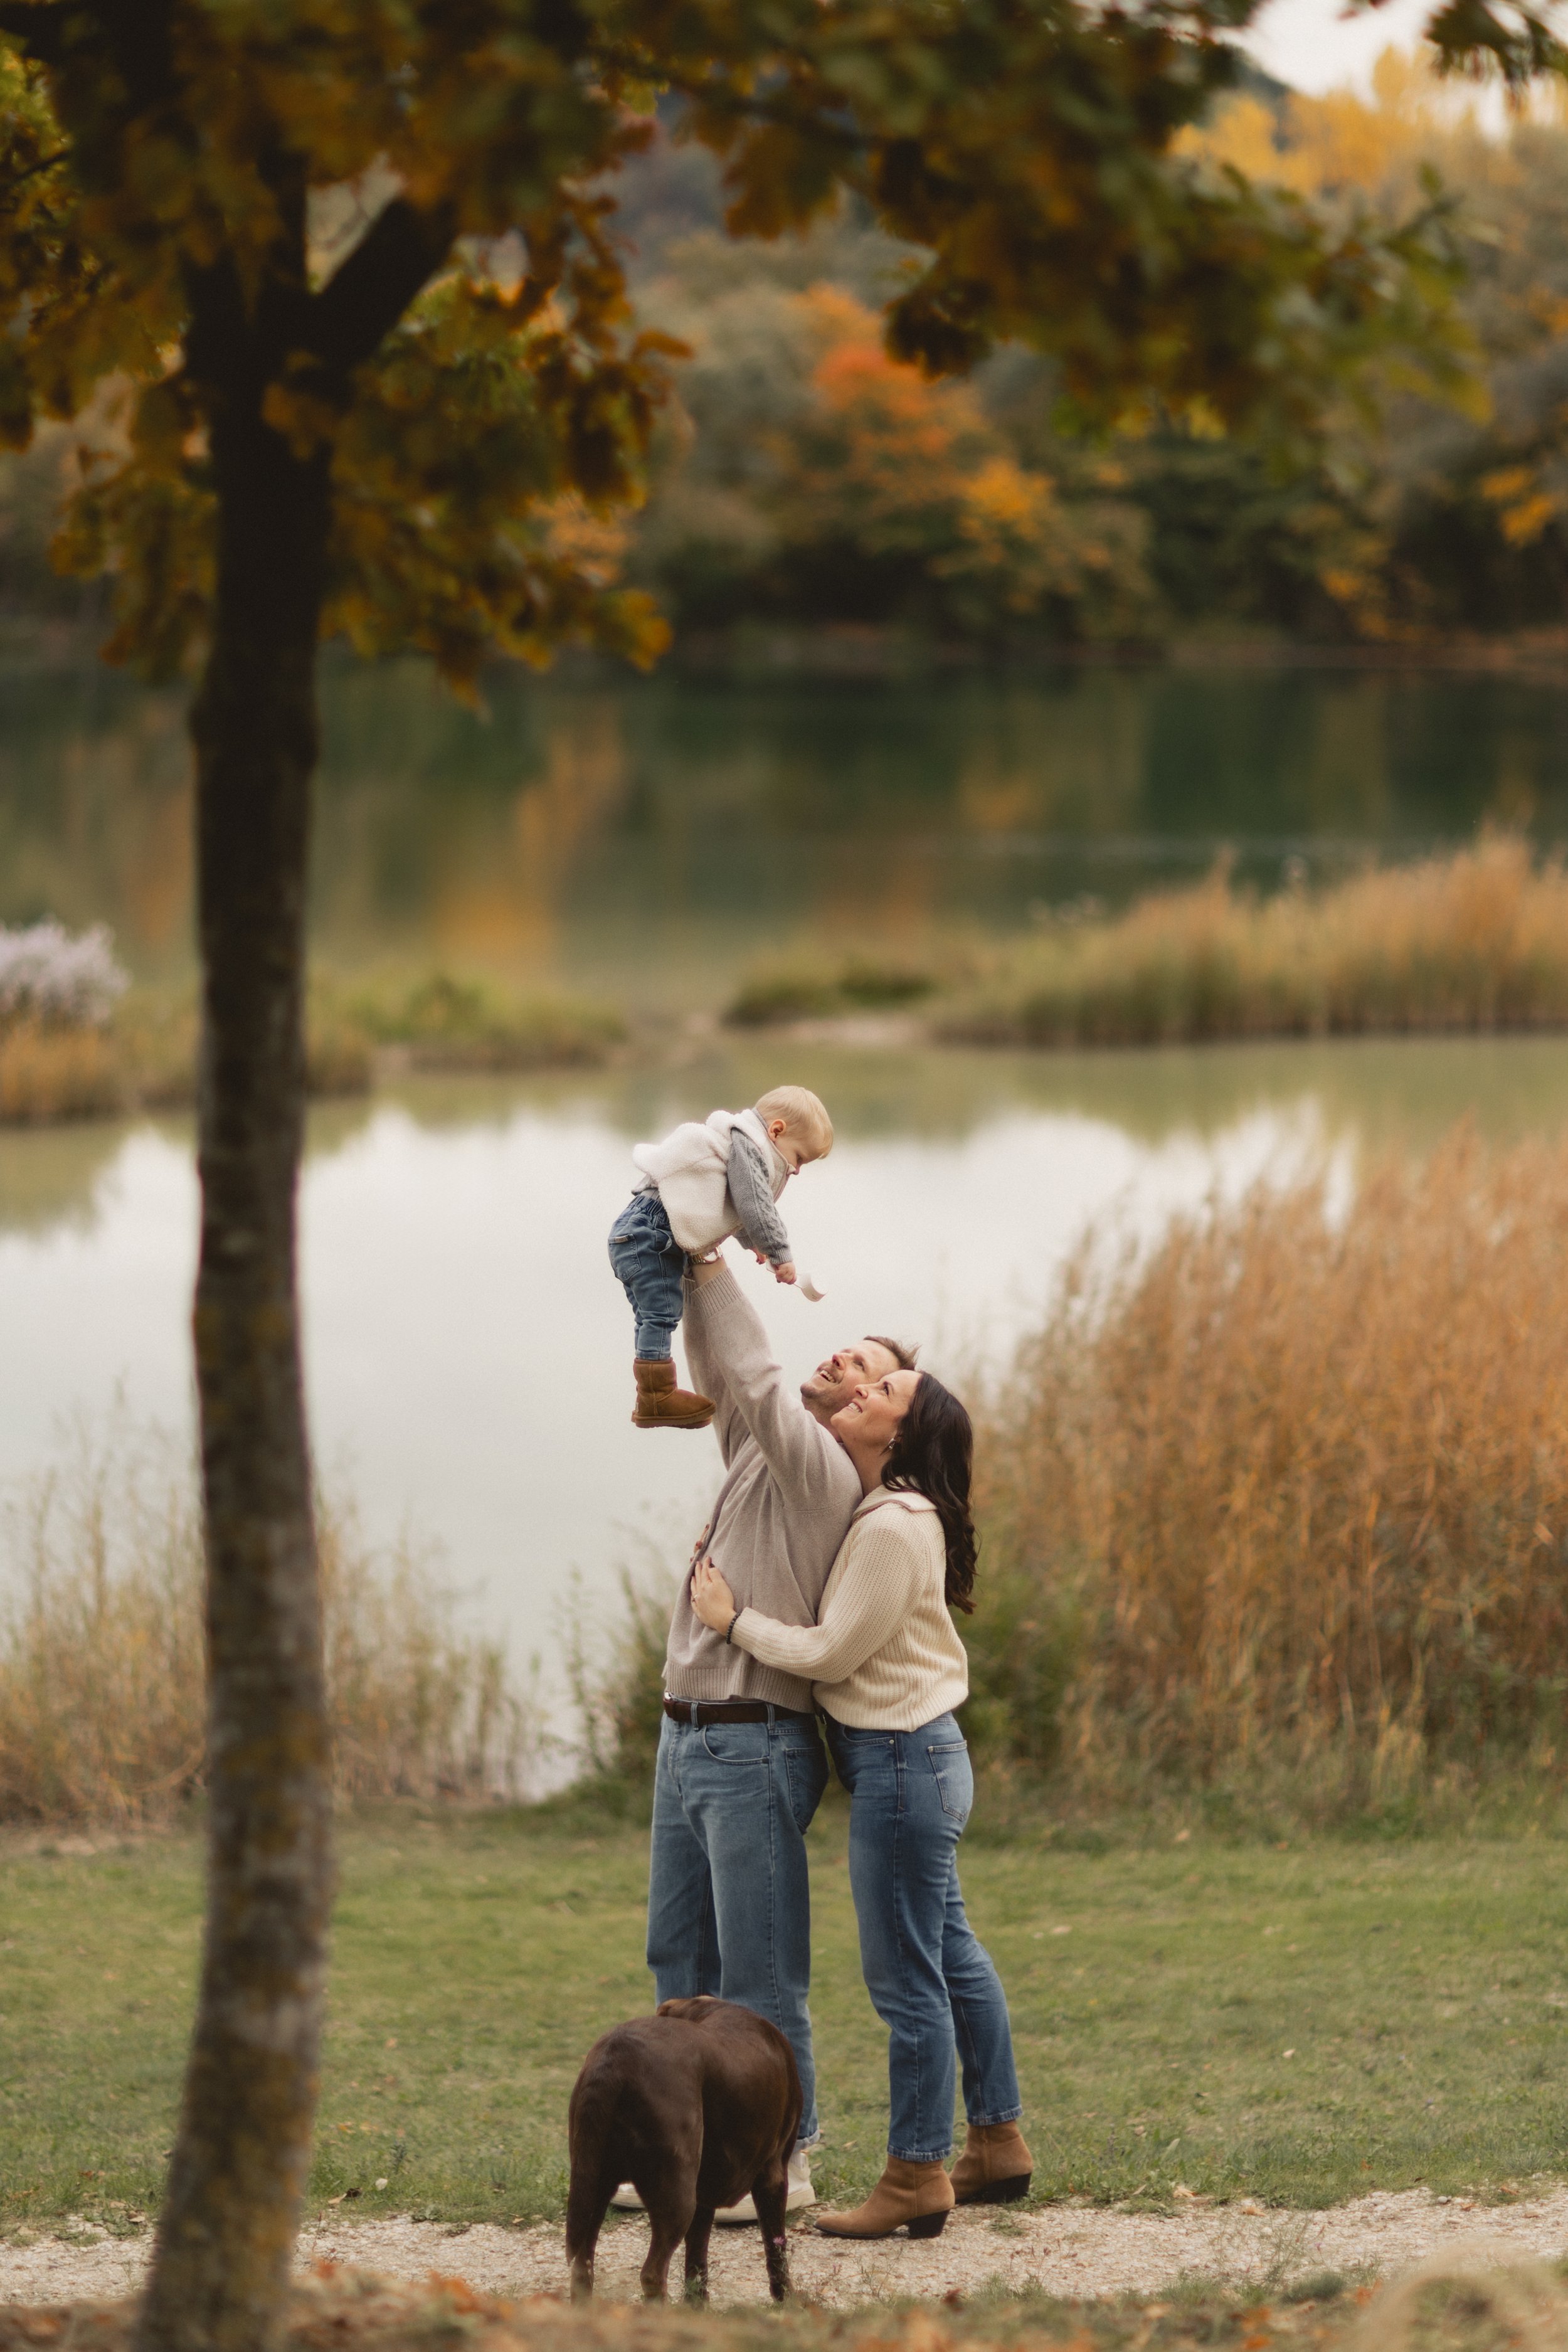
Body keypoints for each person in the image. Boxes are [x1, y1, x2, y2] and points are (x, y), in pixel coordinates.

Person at [691, 1366, 1030, 2242]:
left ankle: (916, 2171)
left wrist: (733, 1622)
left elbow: (833, 1651)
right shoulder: (890, 1513)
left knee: (905, 1978)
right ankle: (996, 2139)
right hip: (918, 1755)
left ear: (898, 1435)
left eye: (886, 1390)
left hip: (900, 1764)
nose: (865, 1388)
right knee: (946, 1949)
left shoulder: (891, 1524)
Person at [622, 1246, 919, 2220]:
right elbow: (728, 1377)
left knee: (759, 1976)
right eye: (851, 1352)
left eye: (870, 1369)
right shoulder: (764, 1448)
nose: (845, 1361)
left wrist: (708, 1261)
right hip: (685, 1736)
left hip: (752, 1743)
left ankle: (785, 2163)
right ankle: (690, 2155)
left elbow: (752, 1373)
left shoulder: (822, 1469)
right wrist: (684, 1285)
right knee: (680, 1958)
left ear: (878, 1416)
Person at [608, 1084, 833, 1429]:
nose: (798, 1170)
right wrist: (779, 1252)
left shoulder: (739, 1145)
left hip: (640, 1230)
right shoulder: (750, 1146)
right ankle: (656, 1397)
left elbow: (725, 1203)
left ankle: (652, 1395)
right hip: (651, 1231)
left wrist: (753, 1244)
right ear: (776, 1130)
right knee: (661, 1314)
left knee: (654, 1316)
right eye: (800, 1157)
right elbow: (754, 1204)